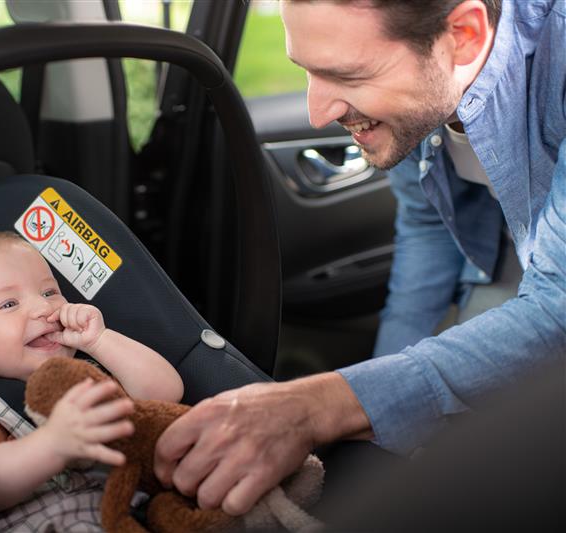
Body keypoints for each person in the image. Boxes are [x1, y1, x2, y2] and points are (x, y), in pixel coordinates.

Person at [154, 0, 566, 518]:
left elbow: (558, 310)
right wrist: (374, 438)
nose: (317, 112)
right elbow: (427, 226)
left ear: (462, 35)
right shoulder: (422, 95)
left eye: (345, 74)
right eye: (305, 70)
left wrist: (321, 407)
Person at [0, 231, 183, 524]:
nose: (45, 309)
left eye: (49, 292)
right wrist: (52, 445)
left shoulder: (89, 373)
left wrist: (100, 341)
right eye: (9, 304)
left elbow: (166, 394)